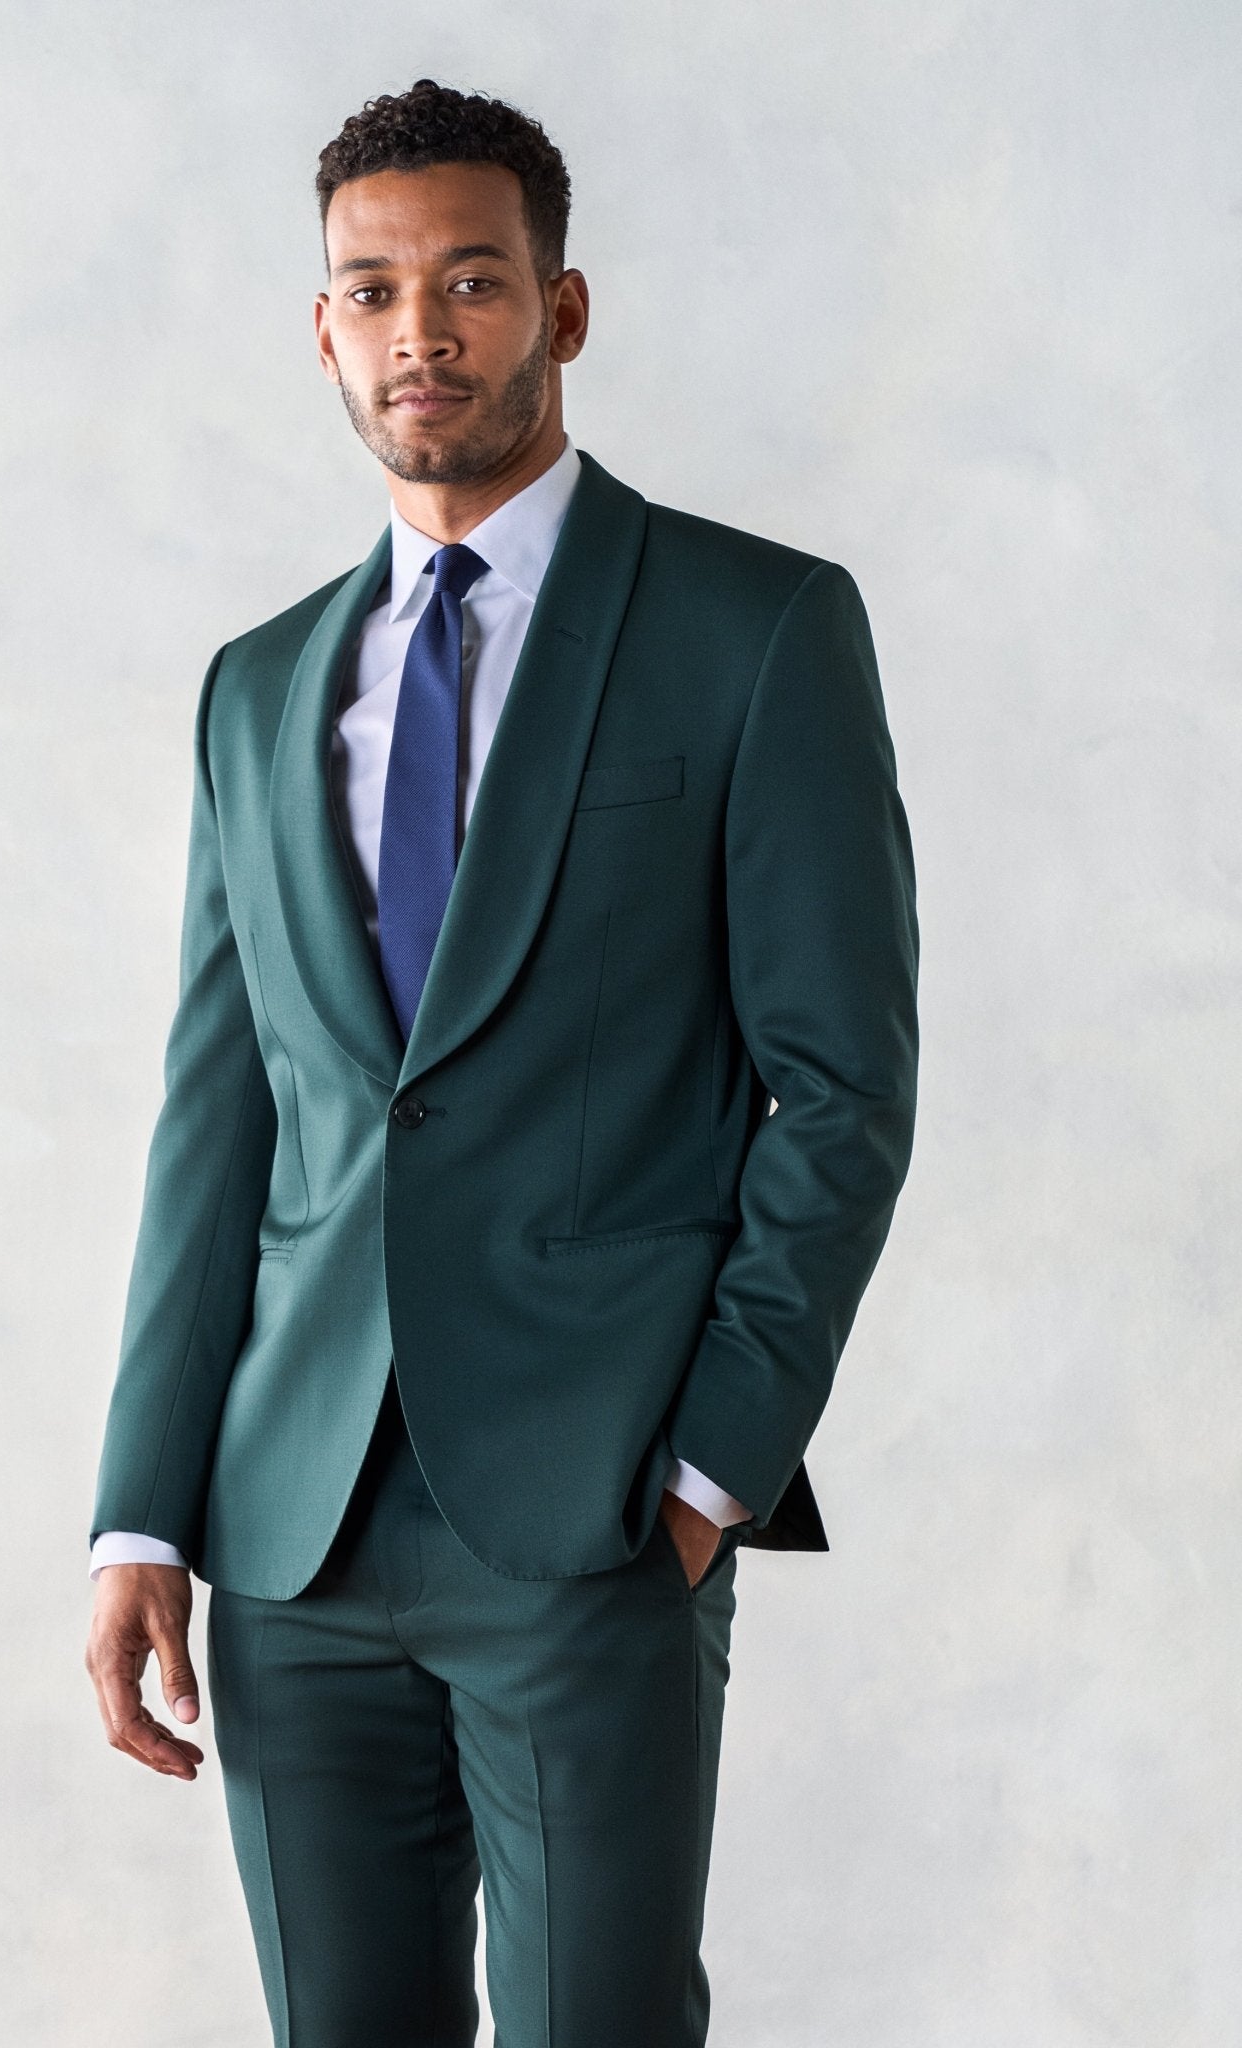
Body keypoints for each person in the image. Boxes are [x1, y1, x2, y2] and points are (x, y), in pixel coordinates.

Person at [84, 77, 919, 2048]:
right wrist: (142, 1516)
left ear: (564, 307)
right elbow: (220, 1123)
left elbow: (843, 1087)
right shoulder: (258, 689)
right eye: (373, 292)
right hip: (290, 1537)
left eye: (471, 281)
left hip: (595, 1518)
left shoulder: (755, 630)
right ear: (323, 331)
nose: (422, 333)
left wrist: (707, 1473)